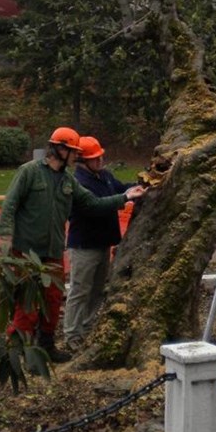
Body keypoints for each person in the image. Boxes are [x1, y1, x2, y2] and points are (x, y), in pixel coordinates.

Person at [0, 126, 146, 362]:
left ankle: (46, 346)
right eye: (73, 151)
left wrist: (126, 197)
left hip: (53, 251)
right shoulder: (29, 172)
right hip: (26, 250)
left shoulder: (69, 180)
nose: (77, 156)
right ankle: (15, 351)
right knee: (26, 301)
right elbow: (10, 205)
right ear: (59, 149)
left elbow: (92, 204)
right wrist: (6, 238)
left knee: (53, 299)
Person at [64, 136, 133, 353]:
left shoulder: (104, 176)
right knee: (79, 291)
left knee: (96, 290)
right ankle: (72, 335)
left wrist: (142, 184)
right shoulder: (79, 183)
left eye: (100, 156)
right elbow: (95, 207)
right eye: (95, 158)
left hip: (103, 243)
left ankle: (88, 327)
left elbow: (122, 187)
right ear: (83, 161)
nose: (100, 160)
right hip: (84, 246)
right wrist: (125, 197)